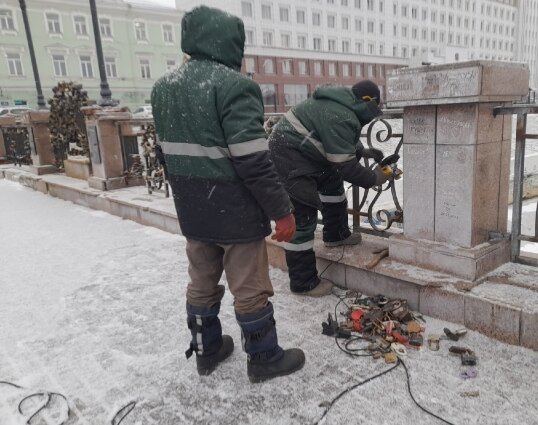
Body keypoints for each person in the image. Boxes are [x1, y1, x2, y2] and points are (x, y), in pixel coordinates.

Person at [151, 6, 304, 383]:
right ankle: (264, 357)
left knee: (201, 280)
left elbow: (163, 153)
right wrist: (282, 211)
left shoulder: (163, 87)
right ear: (231, 44)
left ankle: (207, 351)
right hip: (234, 209)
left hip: (192, 206)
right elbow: (252, 159)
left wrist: (187, 196)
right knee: (249, 287)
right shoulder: (235, 86)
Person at [268, 80, 393, 297]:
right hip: (291, 159)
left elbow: (334, 138)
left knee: (332, 184)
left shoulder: (343, 106)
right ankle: (303, 282)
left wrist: (363, 152)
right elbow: (348, 168)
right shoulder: (341, 114)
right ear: (368, 102)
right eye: (375, 107)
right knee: (303, 216)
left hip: (306, 153)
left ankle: (336, 234)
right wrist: (375, 177)